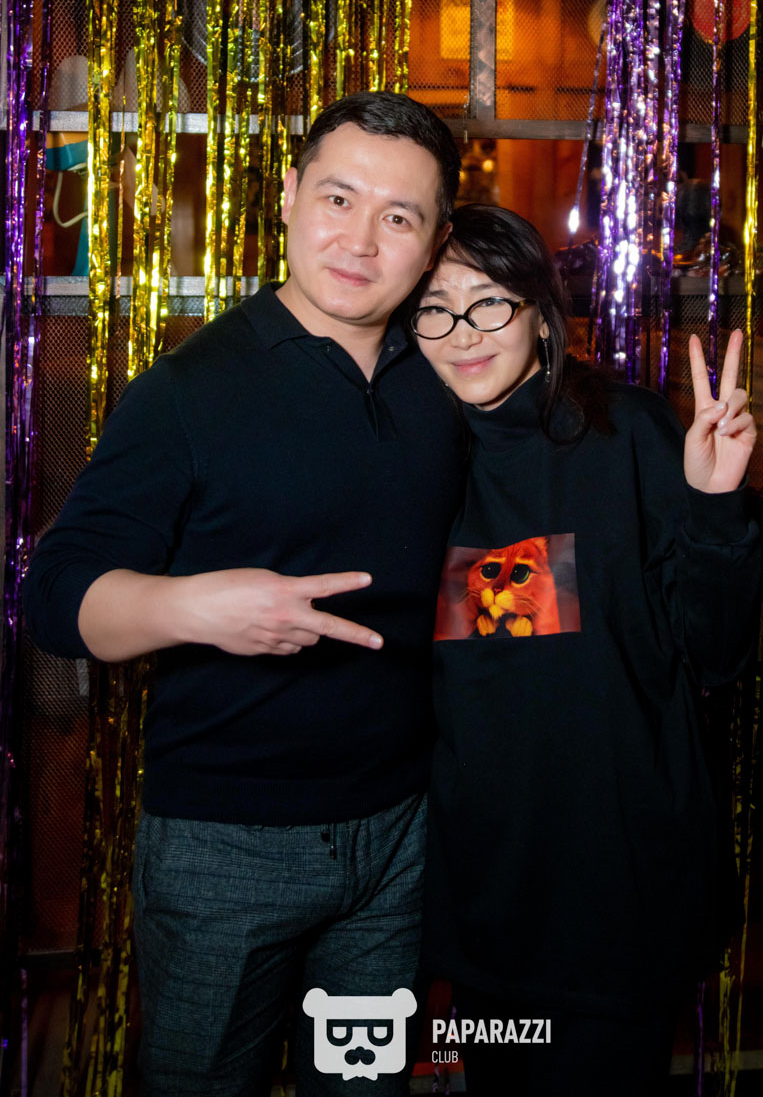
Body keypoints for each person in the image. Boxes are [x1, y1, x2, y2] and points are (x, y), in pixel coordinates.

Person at [22, 91, 466, 1097]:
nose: (360, 239)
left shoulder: (443, 377)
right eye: (338, 198)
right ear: (288, 196)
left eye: (398, 216)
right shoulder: (189, 390)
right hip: (227, 845)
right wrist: (194, 608)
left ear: (436, 241)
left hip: (402, 832)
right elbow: (56, 596)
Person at [409, 203, 761, 1096]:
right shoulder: (411, 463)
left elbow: (716, 654)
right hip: (486, 898)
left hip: (620, 890)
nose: (462, 332)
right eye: (434, 308)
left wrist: (716, 506)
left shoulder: (627, 433)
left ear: (539, 312)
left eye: (487, 302)